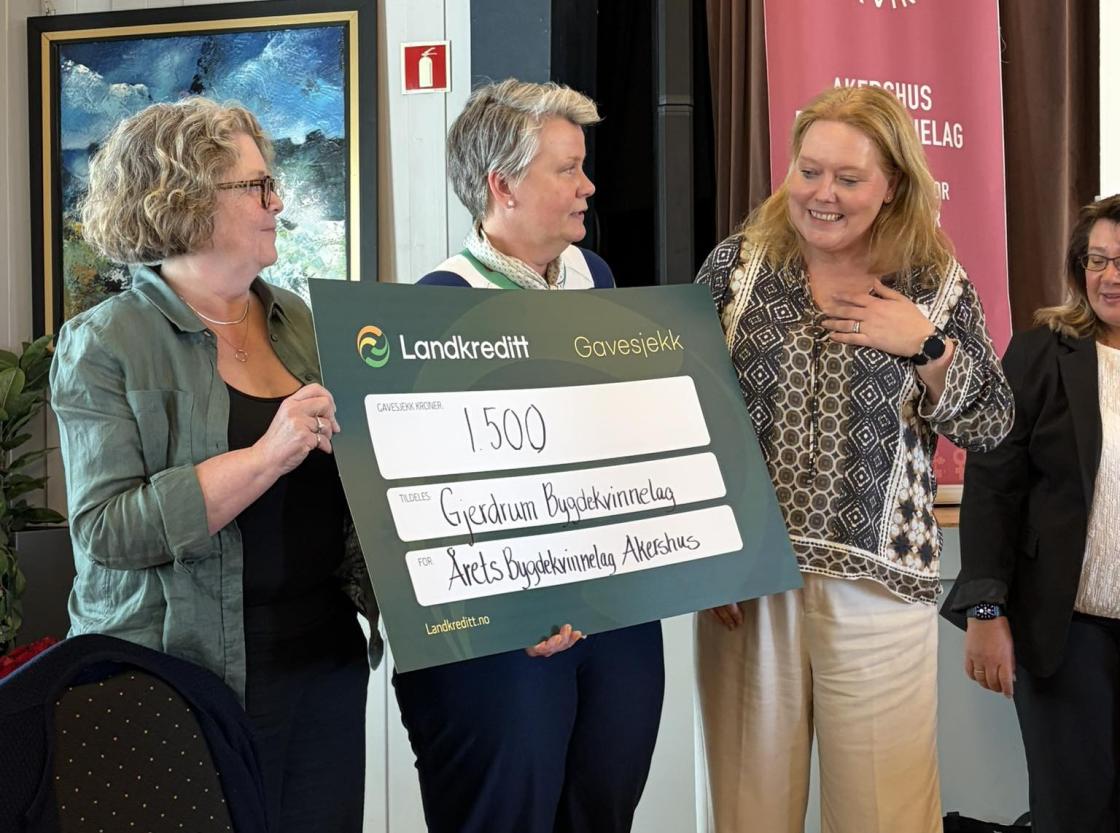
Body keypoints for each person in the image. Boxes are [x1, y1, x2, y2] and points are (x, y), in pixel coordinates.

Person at [50, 98, 381, 833]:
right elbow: (106, 530)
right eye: (258, 186)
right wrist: (265, 456)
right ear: (186, 199)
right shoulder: (105, 342)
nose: (277, 202)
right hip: (182, 676)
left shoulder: (298, 320)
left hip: (323, 663)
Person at [694, 84, 1014, 833]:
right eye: (809, 171)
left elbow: (993, 423)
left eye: (848, 178)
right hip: (749, 582)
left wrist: (927, 347)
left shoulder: (931, 281)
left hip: (881, 588)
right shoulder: (737, 267)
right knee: (747, 811)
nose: (822, 194)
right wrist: (708, 557)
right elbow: (688, 407)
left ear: (892, 184)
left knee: (885, 813)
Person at [392, 79, 664, 833]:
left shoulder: (596, 279)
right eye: (567, 169)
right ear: (502, 186)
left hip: (612, 612)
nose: (588, 186)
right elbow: (429, 504)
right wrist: (518, 602)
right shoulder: (435, 308)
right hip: (504, 636)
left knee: (605, 803)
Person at [944, 194, 1120, 832]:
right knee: (1074, 812)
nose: (1110, 276)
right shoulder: (1042, 352)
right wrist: (985, 610)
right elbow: (994, 485)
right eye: (1097, 260)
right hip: (1068, 632)